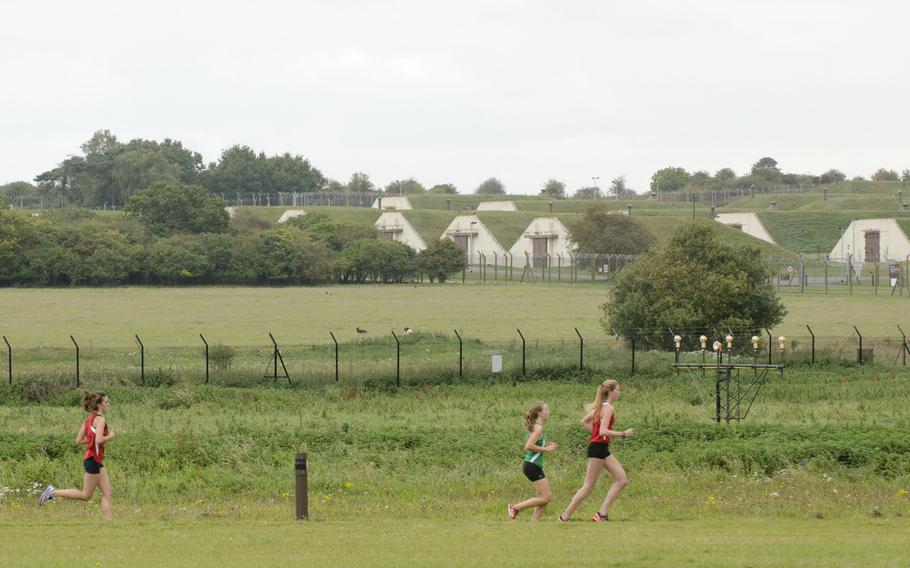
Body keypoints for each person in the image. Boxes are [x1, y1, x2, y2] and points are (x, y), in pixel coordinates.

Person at [558, 379, 633, 522]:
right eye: (617, 390)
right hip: (597, 449)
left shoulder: (600, 407)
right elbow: (604, 430)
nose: (619, 392)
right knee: (587, 487)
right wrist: (623, 434)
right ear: (610, 392)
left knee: (622, 479)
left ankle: (601, 514)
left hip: (602, 448)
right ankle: (564, 517)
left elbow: (584, 422)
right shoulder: (608, 408)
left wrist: (596, 434)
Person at [38, 391, 115, 519]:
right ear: (100, 405)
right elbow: (98, 440)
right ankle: (53, 492)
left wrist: (93, 439)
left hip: (95, 460)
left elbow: (78, 440)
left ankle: (108, 524)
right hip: (93, 460)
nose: (108, 404)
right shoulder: (100, 420)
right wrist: (110, 436)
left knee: (107, 492)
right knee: (86, 495)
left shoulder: (88, 420)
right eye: (106, 402)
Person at [508, 402, 558, 521]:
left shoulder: (536, 426)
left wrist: (547, 445)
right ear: (539, 413)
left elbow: (535, 445)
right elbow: (529, 446)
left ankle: (534, 523)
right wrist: (546, 449)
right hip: (532, 465)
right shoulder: (538, 427)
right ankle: (515, 508)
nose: (549, 412)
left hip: (532, 465)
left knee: (544, 497)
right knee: (547, 497)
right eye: (546, 410)